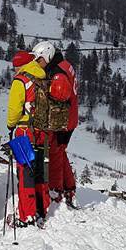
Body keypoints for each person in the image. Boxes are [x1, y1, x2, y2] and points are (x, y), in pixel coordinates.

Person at [6, 50, 50, 226]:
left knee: (25, 174)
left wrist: (10, 125)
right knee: (40, 172)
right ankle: (42, 208)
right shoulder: (42, 78)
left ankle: (27, 215)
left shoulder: (21, 80)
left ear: (18, 65)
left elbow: (14, 110)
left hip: (25, 132)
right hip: (42, 132)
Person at [43, 45, 79, 206]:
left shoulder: (58, 72)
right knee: (60, 151)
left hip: (63, 120)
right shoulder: (66, 65)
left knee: (55, 154)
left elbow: (58, 96)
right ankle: (69, 187)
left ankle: (56, 190)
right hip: (71, 117)